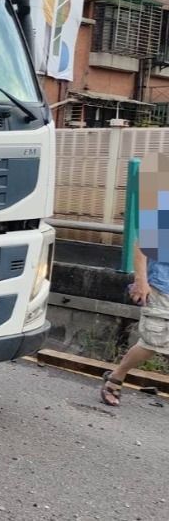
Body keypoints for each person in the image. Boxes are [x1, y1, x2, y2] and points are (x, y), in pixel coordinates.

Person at [100, 157, 169, 406]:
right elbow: (142, 246)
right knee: (152, 343)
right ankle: (116, 377)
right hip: (162, 286)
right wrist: (141, 282)